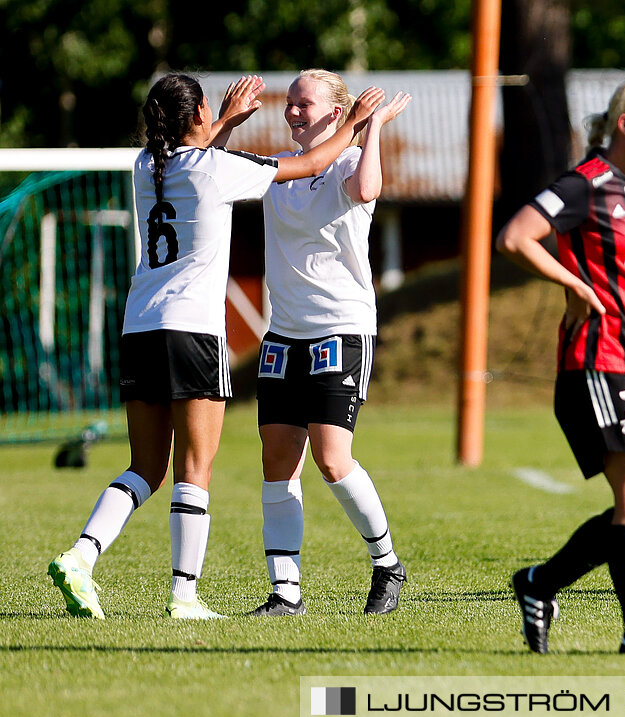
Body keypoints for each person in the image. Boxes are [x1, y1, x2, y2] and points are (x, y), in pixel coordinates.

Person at [47, 73, 380, 620]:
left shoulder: (145, 167)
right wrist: (357, 124)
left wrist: (222, 122)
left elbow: (195, 156)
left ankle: (81, 556)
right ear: (198, 116)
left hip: (139, 328)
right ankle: (184, 597)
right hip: (193, 332)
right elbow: (312, 165)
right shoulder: (216, 168)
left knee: (144, 468)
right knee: (194, 468)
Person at [501, 77, 625, 656]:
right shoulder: (586, 185)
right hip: (600, 360)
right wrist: (572, 283)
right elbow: (516, 237)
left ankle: (540, 583)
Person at [249, 70, 412, 617]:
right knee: (278, 459)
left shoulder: (348, 162)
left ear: (336, 112)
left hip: (338, 327)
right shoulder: (280, 167)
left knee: (331, 458)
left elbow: (367, 190)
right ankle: (285, 593)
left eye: (305, 103)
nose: (293, 111)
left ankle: (387, 563)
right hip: (284, 333)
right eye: (289, 103)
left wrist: (372, 130)